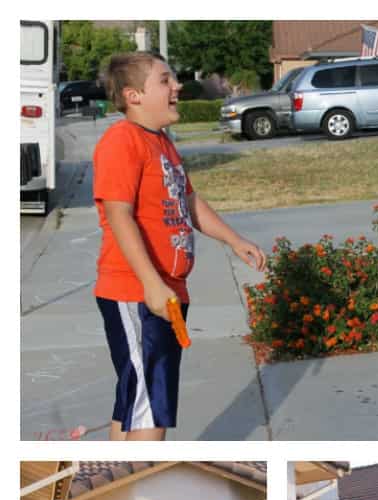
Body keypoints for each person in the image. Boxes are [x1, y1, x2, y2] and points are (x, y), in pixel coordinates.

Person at [93, 52, 266, 441]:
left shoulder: (162, 144)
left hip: (164, 290)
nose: (177, 87)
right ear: (133, 95)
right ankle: (141, 488)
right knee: (151, 408)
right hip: (137, 292)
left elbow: (187, 201)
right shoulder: (122, 140)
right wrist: (151, 283)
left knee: (138, 401)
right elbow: (119, 215)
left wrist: (234, 240)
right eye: (165, 80)